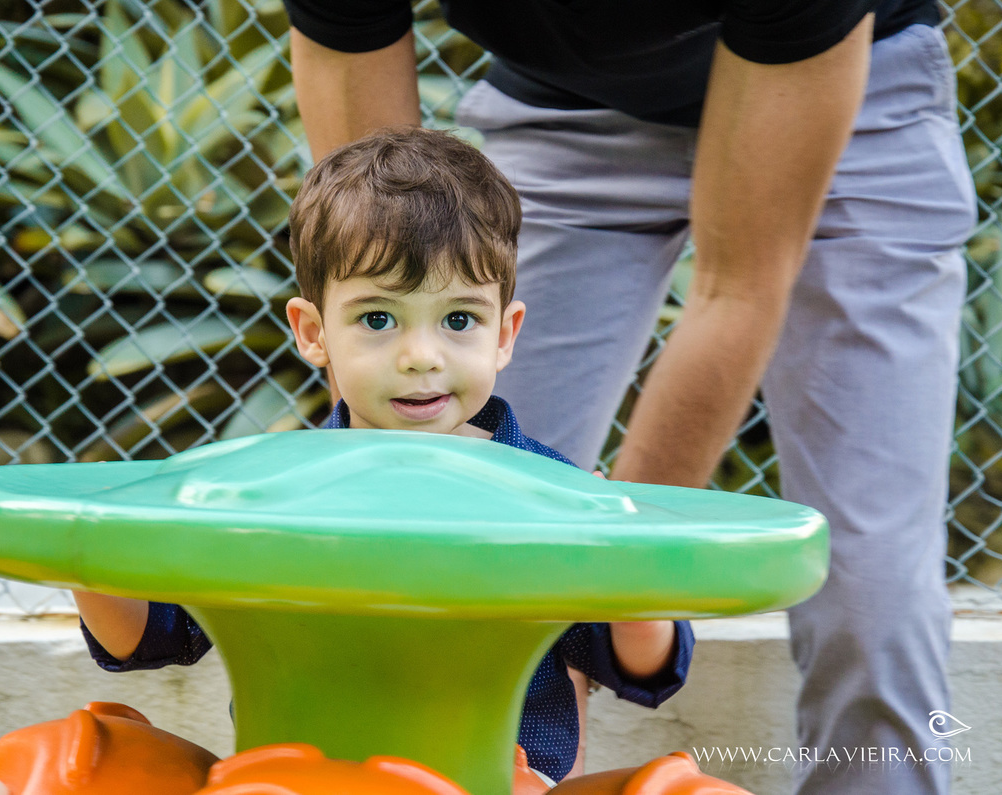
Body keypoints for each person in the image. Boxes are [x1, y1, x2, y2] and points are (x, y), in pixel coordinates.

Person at [281, 2, 977, 794]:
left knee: (869, 587)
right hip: (566, 110)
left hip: (847, 103)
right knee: (477, 538)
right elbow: (364, 274)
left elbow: (739, 288)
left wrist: (616, 562)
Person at [75, 128, 695, 784]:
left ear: (504, 334)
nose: (421, 356)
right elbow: (145, 636)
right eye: (378, 319)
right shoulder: (272, 492)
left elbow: (642, 663)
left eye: (458, 320)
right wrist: (81, 545)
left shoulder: (545, 496)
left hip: (492, 780)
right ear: (314, 333)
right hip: (299, 778)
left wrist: (630, 563)